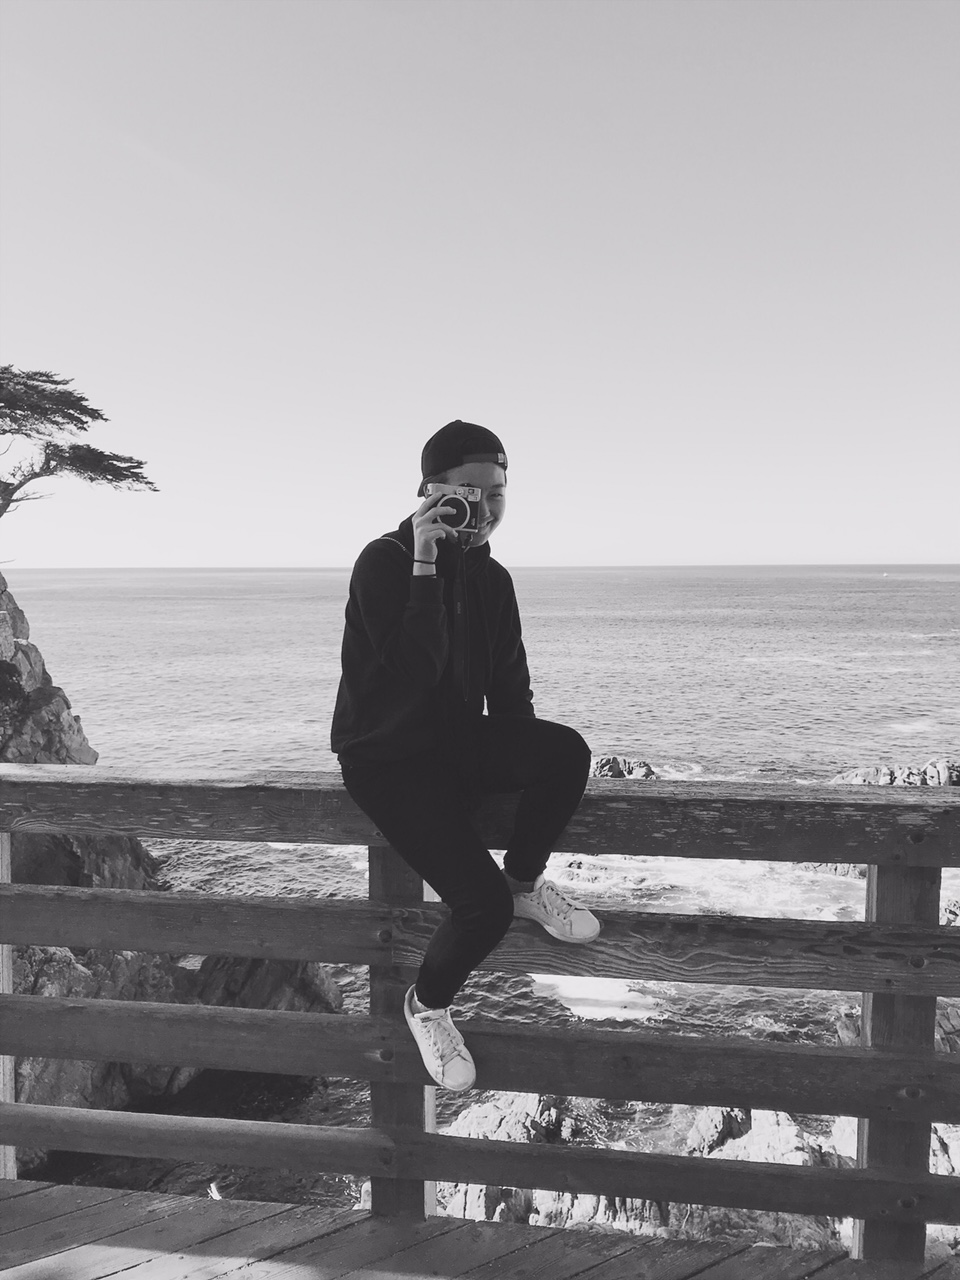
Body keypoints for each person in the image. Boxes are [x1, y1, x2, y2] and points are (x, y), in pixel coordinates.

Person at [331, 420, 598, 1091]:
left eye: (497, 493)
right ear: (431, 491)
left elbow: (509, 684)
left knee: (566, 752)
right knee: (481, 908)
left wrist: (517, 757)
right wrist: (426, 565)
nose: (485, 509)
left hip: (455, 741)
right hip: (386, 759)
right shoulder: (383, 562)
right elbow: (416, 670)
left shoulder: (493, 578)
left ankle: (525, 882)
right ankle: (428, 1006)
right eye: (469, 493)